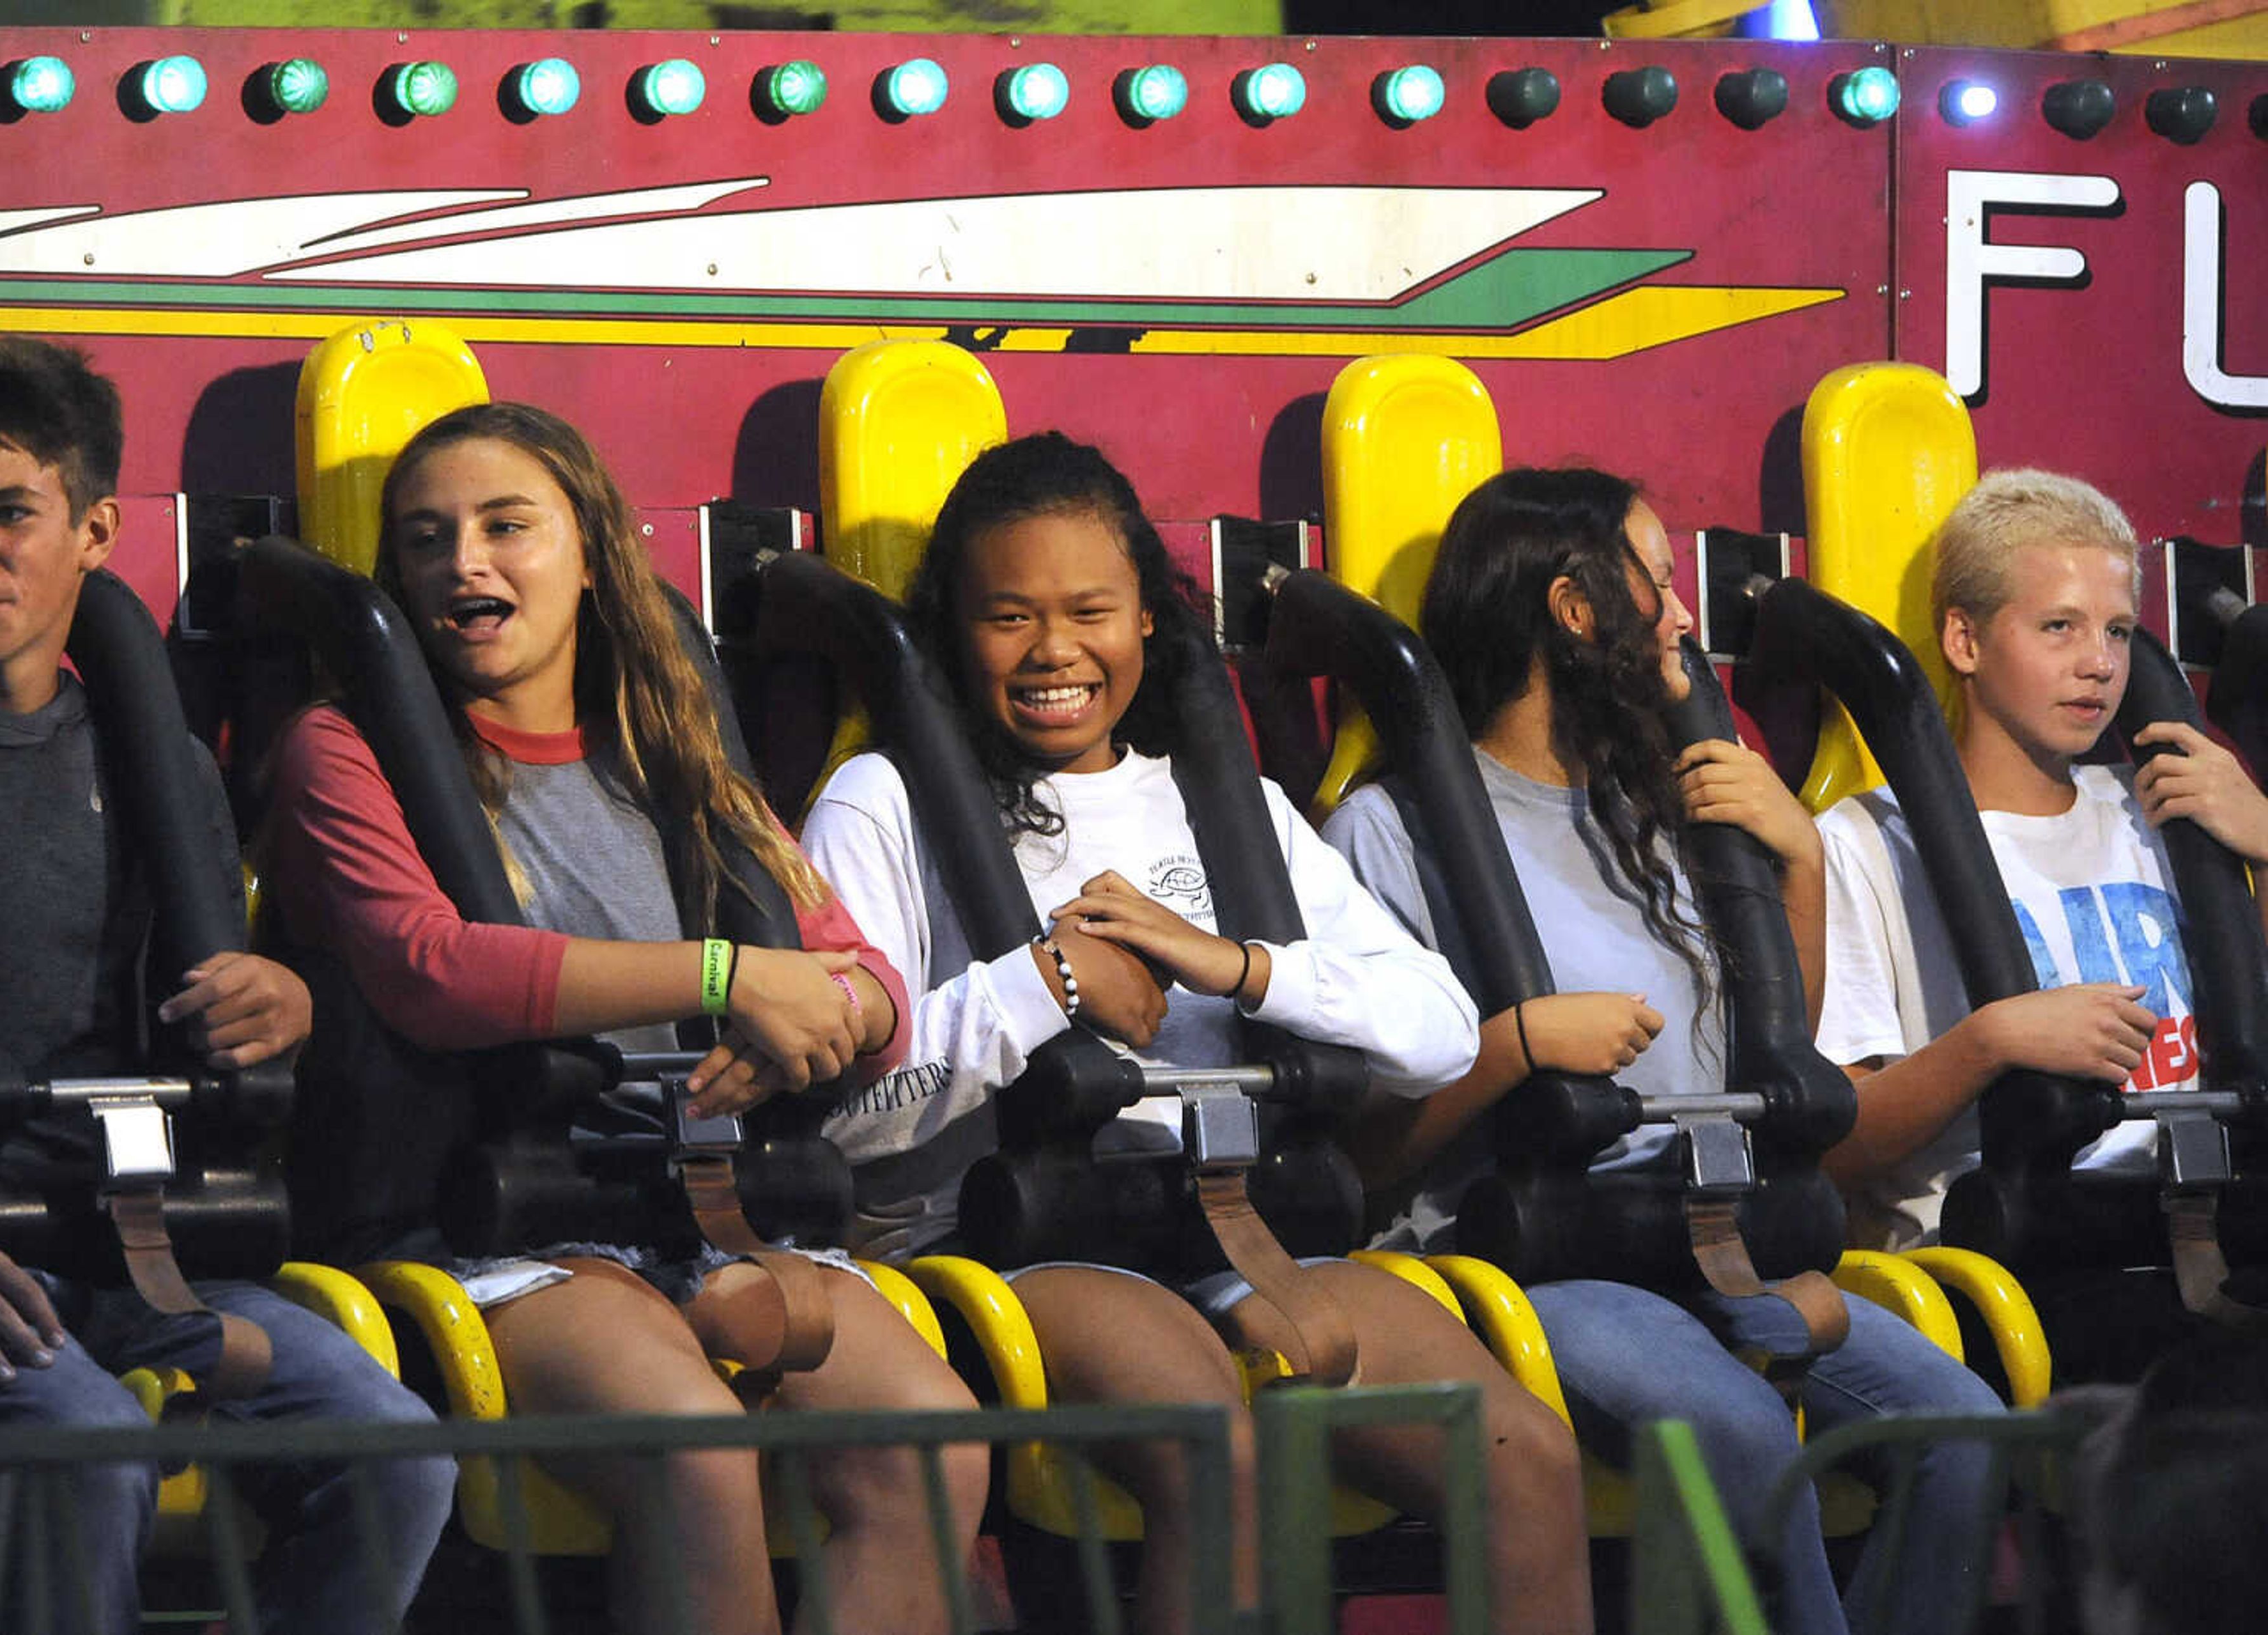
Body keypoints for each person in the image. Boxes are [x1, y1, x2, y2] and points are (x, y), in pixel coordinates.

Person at [801, 431, 1591, 1635]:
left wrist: (1236, 963)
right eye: (1010, 616)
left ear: (1148, 623)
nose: (1055, 651)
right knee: (1211, 1439)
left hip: (1233, 1220)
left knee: (1525, 1456)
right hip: (999, 1236)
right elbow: (841, 1121)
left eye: (1090, 611)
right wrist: (1046, 982)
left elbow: (1436, 1032)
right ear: (955, 633)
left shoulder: (1226, 803)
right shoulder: (887, 800)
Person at [263, 400, 986, 1635]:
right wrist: (718, 978)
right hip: (492, 1215)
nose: (465, 562)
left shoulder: (672, 745)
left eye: (506, 526)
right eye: (428, 539)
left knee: (935, 1448)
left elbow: (861, 977)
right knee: (693, 1448)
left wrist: (830, 1007)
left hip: (711, 1207)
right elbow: (429, 968)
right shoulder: (344, 747)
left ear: (590, 550)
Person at [0, 337, 456, 1635]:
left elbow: (244, 999)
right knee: (90, 1446)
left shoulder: (162, 771)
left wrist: (291, 999)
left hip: (153, 1255)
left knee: (399, 1449)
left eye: (10, 513)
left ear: (98, 529)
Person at [1322, 466, 2003, 1635]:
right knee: (1739, 1436)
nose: (1687, 614)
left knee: (1962, 1437)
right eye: (1659, 579)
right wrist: (1518, 1045)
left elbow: (1767, 1052)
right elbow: (1370, 1150)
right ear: (1578, 611)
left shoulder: (1662, 804)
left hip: (1720, 1234)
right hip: (1538, 1255)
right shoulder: (1392, 828)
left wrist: (1794, 862)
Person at [1813, 470, 2268, 1251]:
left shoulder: (2163, 799)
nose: (2098, 663)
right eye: (2059, 626)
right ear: (1966, 639)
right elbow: (1834, 1149)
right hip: (1997, 1250)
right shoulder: (1865, 840)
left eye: (2118, 631)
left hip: (2213, 1222)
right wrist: (1988, 1042)